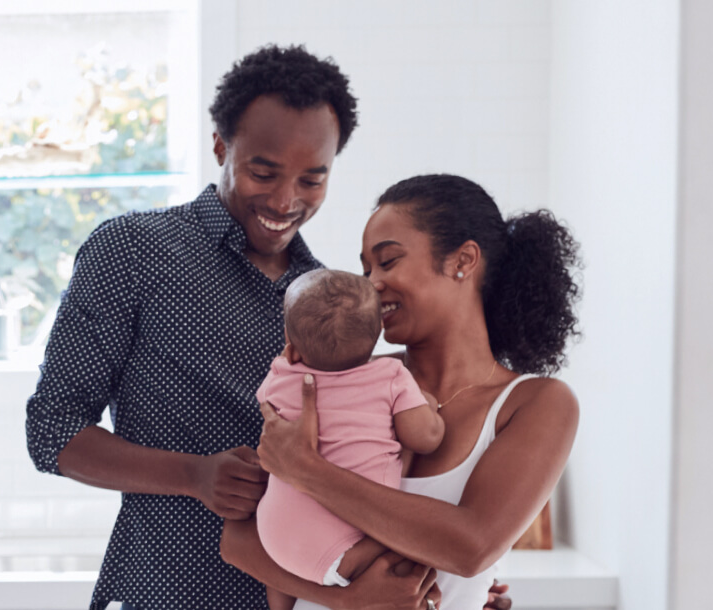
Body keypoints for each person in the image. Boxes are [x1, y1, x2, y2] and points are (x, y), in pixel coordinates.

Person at [26, 45, 513, 609]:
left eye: (312, 180)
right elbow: (53, 432)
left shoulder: (329, 303)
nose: (285, 200)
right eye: (263, 171)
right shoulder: (133, 252)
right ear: (220, 146)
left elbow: (374, 466)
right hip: (166, 592)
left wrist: (460, 590)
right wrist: (195, 475)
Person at [222, 174, 579, 610]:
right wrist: (348, 599)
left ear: (462, 261)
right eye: (365, 268)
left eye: (387, 262)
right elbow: (239, 537)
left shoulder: (535, 404)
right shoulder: (339, 380)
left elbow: (470, 548)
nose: (369, 284)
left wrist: (308, 471)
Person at [255, 268, 445, 608]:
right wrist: (428, 405)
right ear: (376, 339)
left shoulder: (282, 374)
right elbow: (426, 438)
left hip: (272, 535)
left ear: (291, 345)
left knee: (287, 554)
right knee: (416, 545)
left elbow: (267, 405)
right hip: (347, 547)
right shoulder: (391, 376)